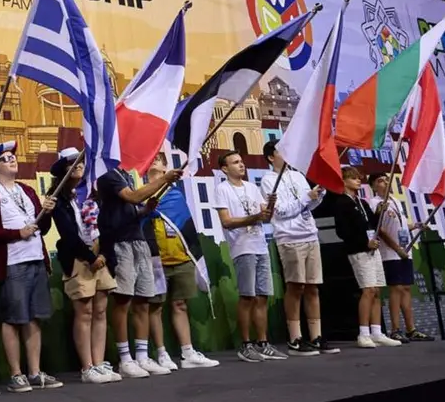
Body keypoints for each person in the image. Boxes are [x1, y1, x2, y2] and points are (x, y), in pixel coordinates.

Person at [0, 141, 61, 392]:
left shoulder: (27, 190)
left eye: (12, 156)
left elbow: (41, 228)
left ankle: (34, 372)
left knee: (34, 317)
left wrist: (47, 213)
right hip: (12, 261)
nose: (12, 160)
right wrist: (17, 233)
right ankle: (16, 373)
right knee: (13, 318)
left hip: (35, 257)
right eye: (5, 158)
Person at [95, 160, 182, 379]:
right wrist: (164, 178)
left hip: (138, 240)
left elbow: (131, 207)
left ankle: (142, 356)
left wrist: (144, 211)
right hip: (120, 243)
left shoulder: (125, 174)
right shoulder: (107, 175)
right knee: (123, 300)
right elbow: (133, 197)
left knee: (143, 300)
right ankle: (125, 359)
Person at [141, 154, 220, 370]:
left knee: (180, 304)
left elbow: (186, 225)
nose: (154, 162)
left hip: (181, 256)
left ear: (166, 165)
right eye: (151, 159)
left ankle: (187, 352)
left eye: (159, 159)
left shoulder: (175, 194)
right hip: (155, 259)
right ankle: (162, 353)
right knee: (155, 307)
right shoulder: (140, 194)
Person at [49, 149, 119, 384]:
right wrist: (89, 257)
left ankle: (99, 363)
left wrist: (104, 253)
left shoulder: (93, 193)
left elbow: (107, 223)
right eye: (72, 163)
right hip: (79, 258)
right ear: (63, 170)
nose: (78, 165)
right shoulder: (58, 197)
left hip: (101, 257)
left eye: (80, 162)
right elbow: (68, 233)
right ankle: (87, 366)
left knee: (100, 309)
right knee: (85, 311)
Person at [260, 141, 336, 356]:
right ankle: (295, 338)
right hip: (289, 237)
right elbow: (281, 212)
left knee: (313, 287)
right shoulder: (268, 181)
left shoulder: (297, 175)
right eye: (280, 151)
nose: (286, 154)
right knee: (296, 286)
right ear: (270, 157)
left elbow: (309, 206)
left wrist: (317, 196)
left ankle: (316, 336)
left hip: (310, 235)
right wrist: (306, 198)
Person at [213, 151, 283, 363]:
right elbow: (226, 221)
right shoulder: (222, 189)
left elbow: (266, 216)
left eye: (241, 161)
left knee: (262, 296)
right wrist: (255, 217)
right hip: (242, 248)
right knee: (247, 296)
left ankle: (263, 343)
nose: (241, 165)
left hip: (260, 245)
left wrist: (270, 205)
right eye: (235, 162)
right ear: (225, 168)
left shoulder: (252, 188)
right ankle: (246, 344)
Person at [329, 167, 401, 349]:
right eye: (353, 178)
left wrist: (379, 212)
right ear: (343, 181)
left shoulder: (362, 202)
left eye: (358, 177)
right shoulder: (341, 203)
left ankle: (377, 332)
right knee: (367, 289)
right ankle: (363, 333)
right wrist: (363, 242)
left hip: (373, 249)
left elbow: (371, 224)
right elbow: (343, 231)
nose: (358, 180)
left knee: (377, 290)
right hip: (359, 251)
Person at [366, 172, 432, 342]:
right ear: (373, 186)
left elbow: (400, 225)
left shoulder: (395, 200)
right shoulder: (375, 203)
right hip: (390, 253)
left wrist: (416, 225)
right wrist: (396, 248)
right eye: (380, 181)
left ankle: (412, 329)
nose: (385, 182)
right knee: (396, 288)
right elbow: (380, 229)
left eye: (386, 179)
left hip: (405, 250)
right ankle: (395, 329)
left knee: (406, 288)